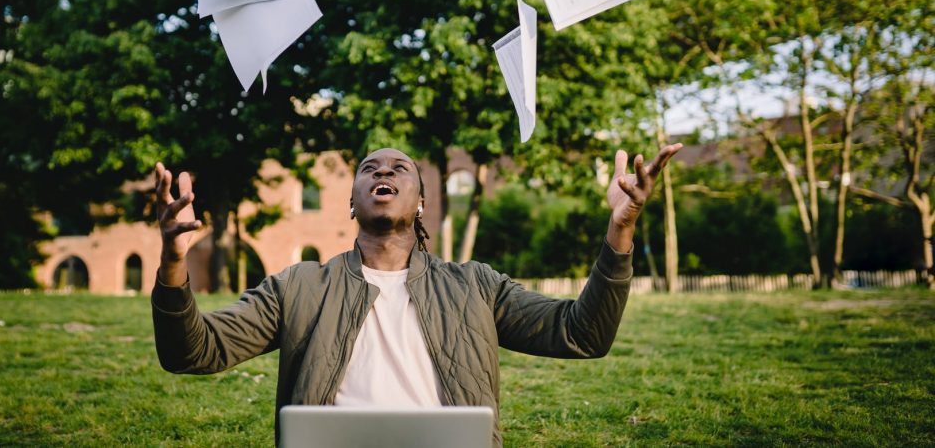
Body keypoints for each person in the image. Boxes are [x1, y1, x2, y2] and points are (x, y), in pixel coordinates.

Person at [151, 144, 681, 446]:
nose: (383, 171)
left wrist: (621, 229)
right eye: (369, 169)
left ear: (422, 204)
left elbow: (582, 334)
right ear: (352, 205)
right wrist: (174, 262)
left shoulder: (476, 286)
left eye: (400, 168)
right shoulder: (299, 286)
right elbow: (191, 352)